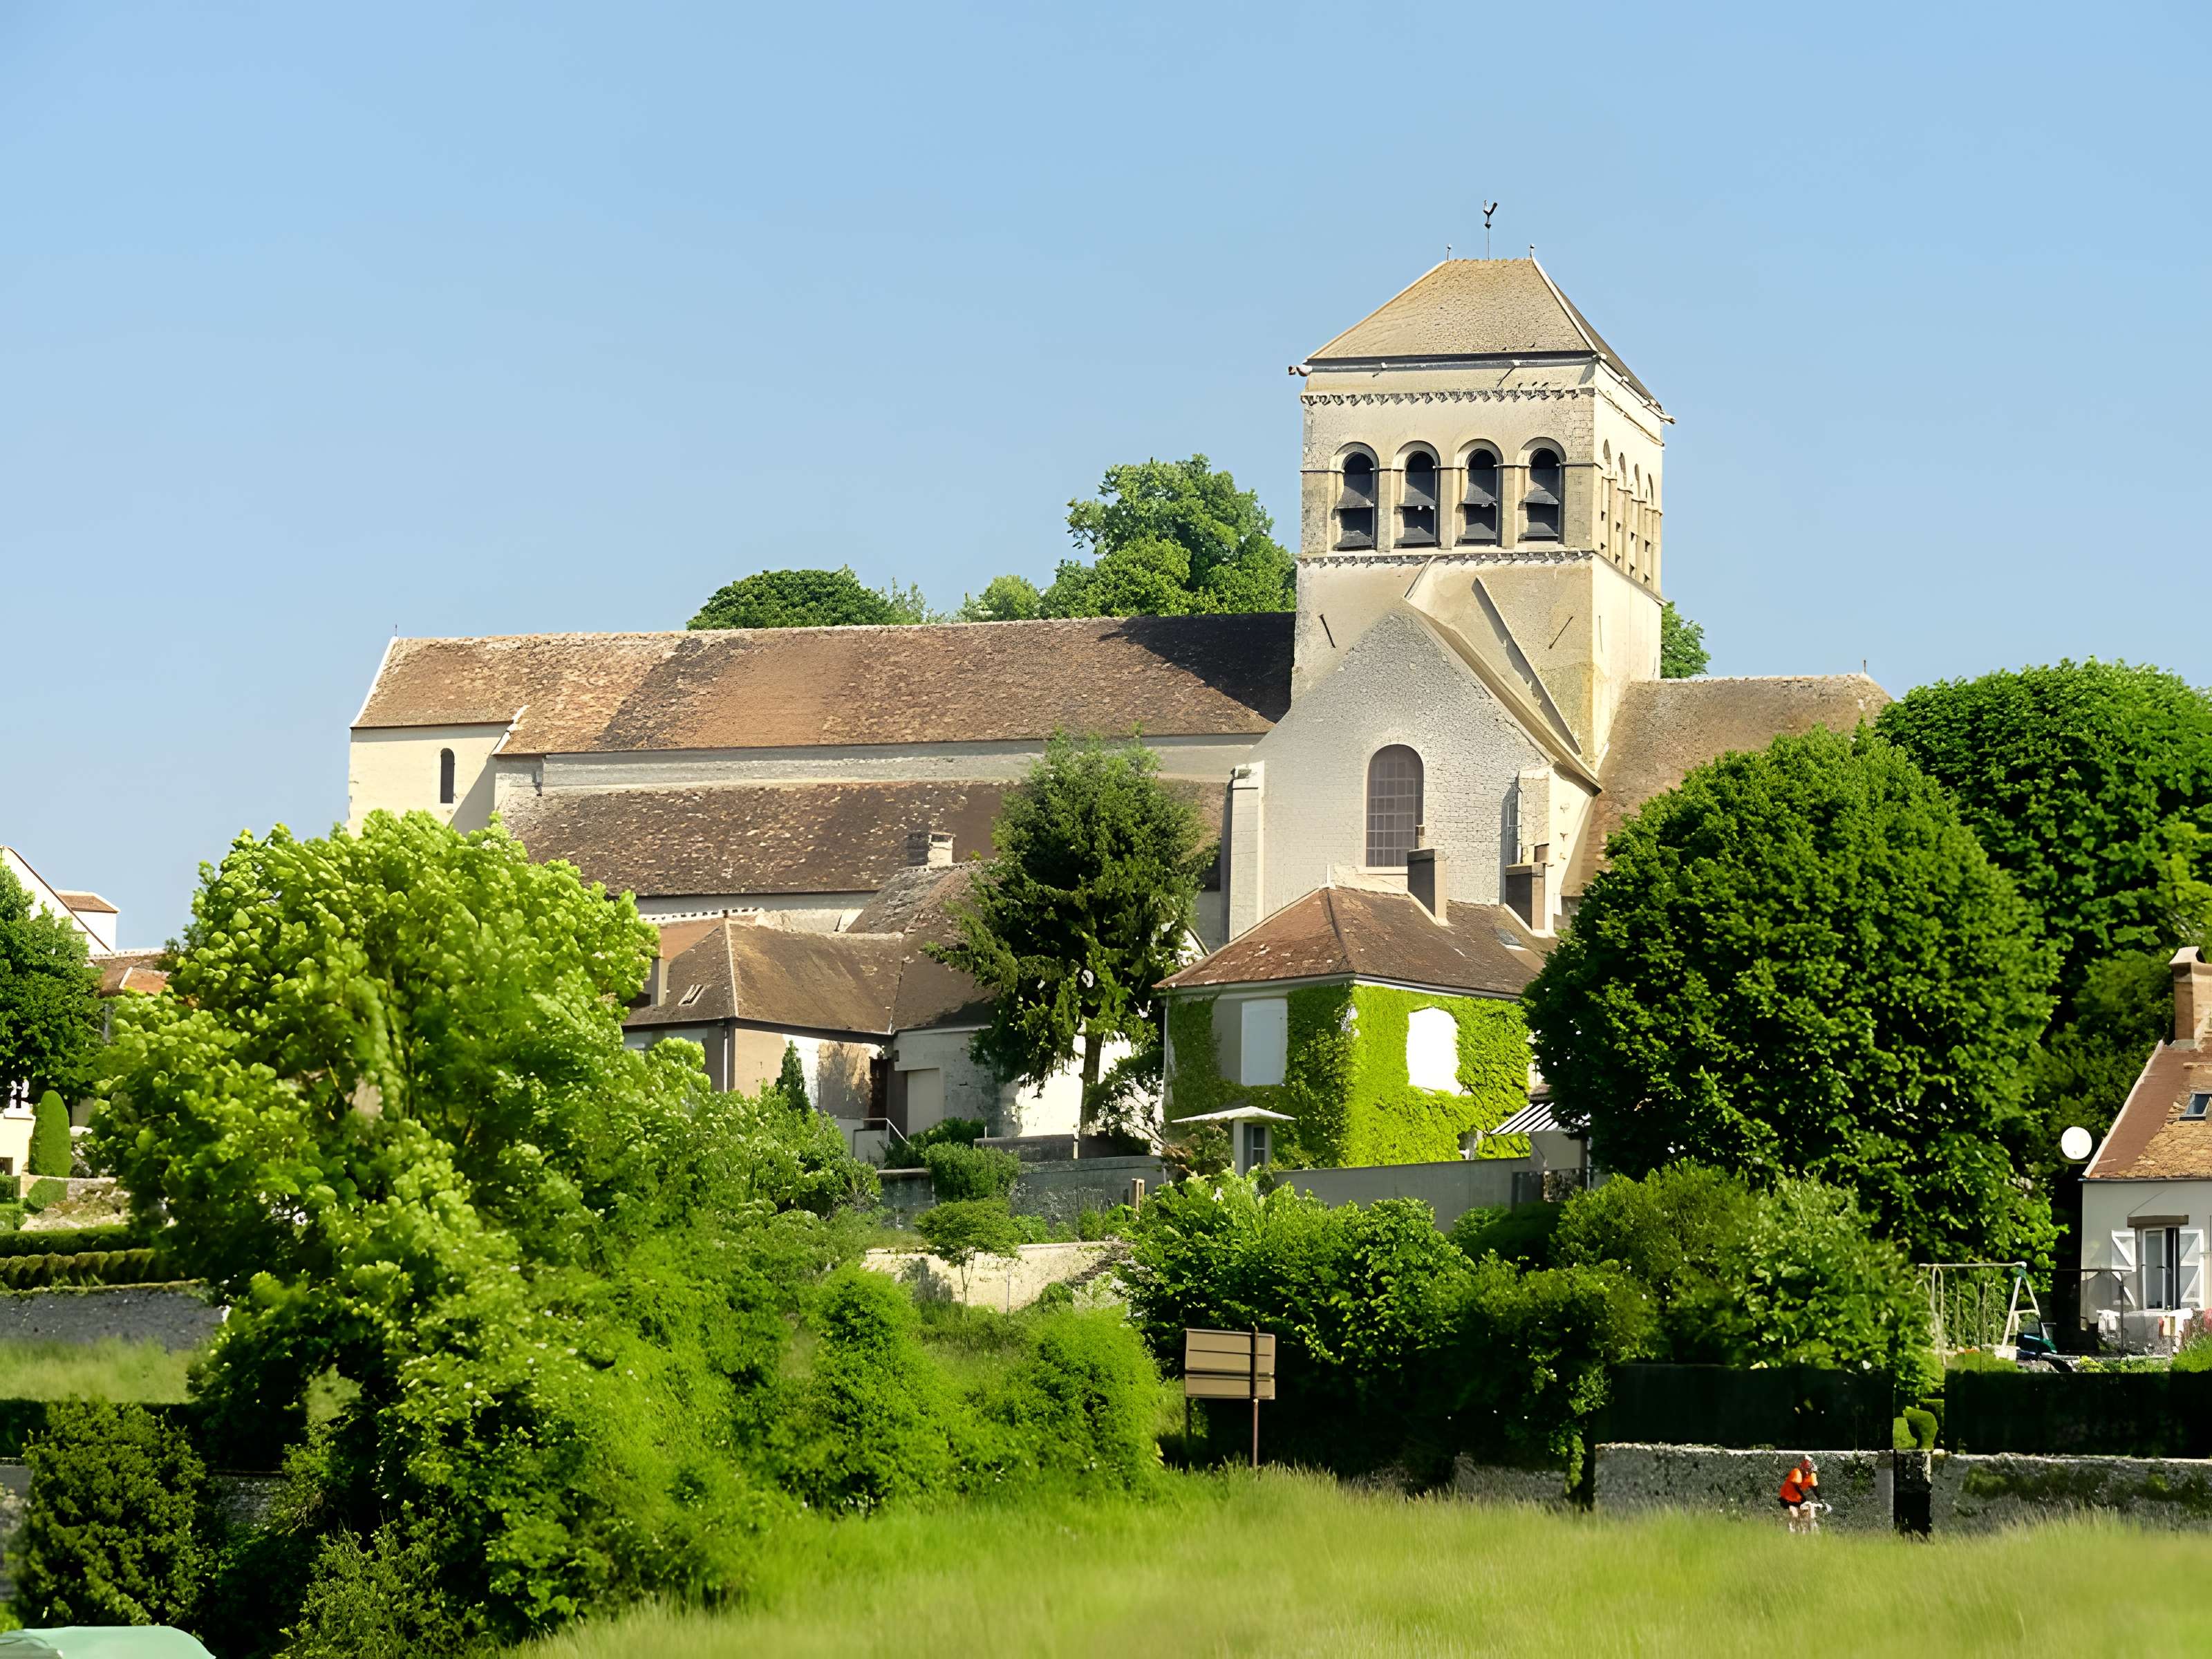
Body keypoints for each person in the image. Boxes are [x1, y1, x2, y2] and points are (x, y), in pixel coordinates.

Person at [1778, 1456, 1819, 1533]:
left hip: (1798, 1499)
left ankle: (1805, 1530)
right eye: (1807, 1470)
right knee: (1795, 1515)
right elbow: (1797, 1488)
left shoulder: (1810, 1476)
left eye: (1809, 1470)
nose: (1808, 1472)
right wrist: (1805, 1500)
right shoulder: (1797, 1473)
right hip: (1787, 1498)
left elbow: (1814, 1490)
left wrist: (1819, 1500)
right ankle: (1791, 1531)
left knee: (1808, 1513)